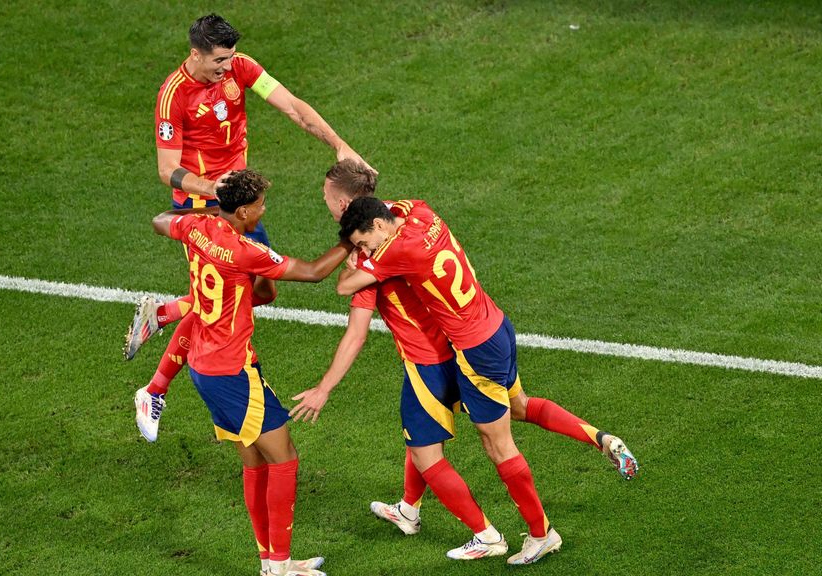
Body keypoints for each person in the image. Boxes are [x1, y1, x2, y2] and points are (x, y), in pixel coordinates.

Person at [128, 13, 373, 443]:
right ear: (196, 53)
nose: (227, 66)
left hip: (241, 206)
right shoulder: (173, 96)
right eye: (219, 59)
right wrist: (210, 187)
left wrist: (339, 144)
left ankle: (164, 314)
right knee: (217, 305)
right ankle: (153, 390)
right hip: (205, 210)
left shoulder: (241, 68)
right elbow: (167, 169)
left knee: (262, 291)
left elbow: (294, 107)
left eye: (230, 57)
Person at [335, 196, 570, 565]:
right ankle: (410, 508)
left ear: (379, 226)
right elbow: (397, 203)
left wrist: (356, 261)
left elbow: (345, 287)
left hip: (474, 349)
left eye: (364, 242)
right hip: (495, 323)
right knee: (499, 423)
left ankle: (539, 535)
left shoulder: (395, 252)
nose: (365, 249)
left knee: (498, 446)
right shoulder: (421, 213)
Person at [152, 169, 351, 576]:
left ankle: (270, 562)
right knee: (284, 460)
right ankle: (278, 566)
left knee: (256, 464)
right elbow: (313, 272)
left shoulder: (197, 226)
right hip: (231, 373)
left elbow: (160, 220)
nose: (264, 209)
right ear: (242, 211)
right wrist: (351, 239)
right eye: (260, 204)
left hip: (208, 366)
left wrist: (205, 202)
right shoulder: (245, 251)